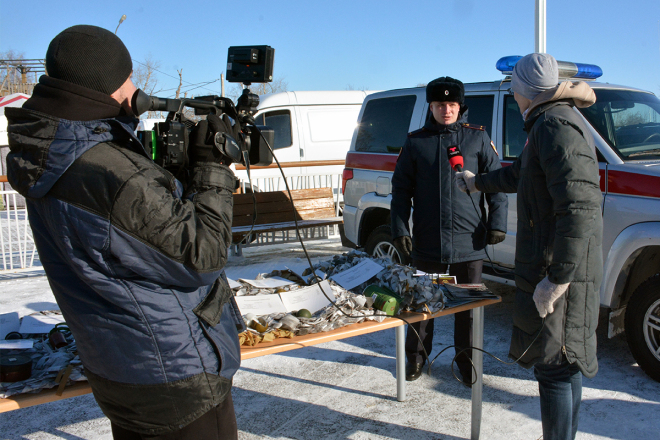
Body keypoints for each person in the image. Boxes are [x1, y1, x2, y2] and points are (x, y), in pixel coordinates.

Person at [6, 25, 243, 439]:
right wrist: (213, 170)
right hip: (176, 375)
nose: (134, 89)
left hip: (121, 366)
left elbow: (130, 242)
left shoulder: (49, 151)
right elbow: (202, 257)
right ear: (107, 84)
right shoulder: (111, 171)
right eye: (128, 78)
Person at [457, 53, 603, 440]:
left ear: (524, 90)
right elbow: (520, 175)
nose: (513, 94)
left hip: (558, 269)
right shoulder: (549, 121)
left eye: (513, 88)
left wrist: (557, 280)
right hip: (558, 264)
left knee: (554, 367)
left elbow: (580, 208)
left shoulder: (554, 125)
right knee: (564, 365)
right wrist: (476, 182)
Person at [390, 76, 508, 383]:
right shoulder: (416, 141)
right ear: (431, 106)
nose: (446, 110)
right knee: (422, 304)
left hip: (468, 243)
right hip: (427, 243)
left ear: (460, 106)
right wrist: (400, 229)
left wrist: (497, 224)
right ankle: (416, 358)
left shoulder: (477, 138)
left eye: (452, 104)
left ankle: (467, 363)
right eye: (440, 104)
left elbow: (496, 185)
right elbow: (400, 190)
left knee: (467, 310)